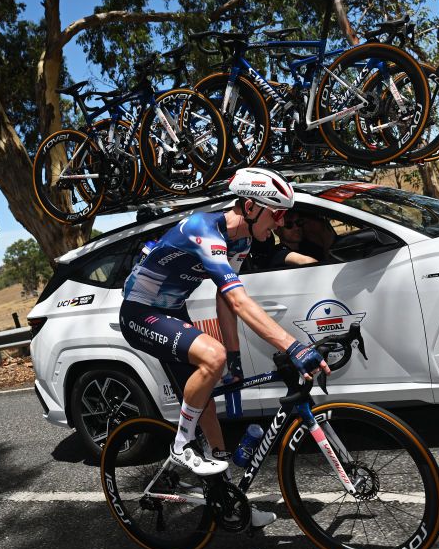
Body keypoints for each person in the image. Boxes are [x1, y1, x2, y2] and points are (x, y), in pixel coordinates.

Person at [118, 167, 330, 526]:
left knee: (206, 404)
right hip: (140, 312)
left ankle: (226, 500)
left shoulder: (242, 242)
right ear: (250, 207)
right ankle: (181, 447)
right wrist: (295, 347)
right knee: (210, 355)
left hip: (170, 310)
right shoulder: (205, 231)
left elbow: (225, 300)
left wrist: (234, 357)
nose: (280, 224)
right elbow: (242, 302)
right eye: (276, 213)